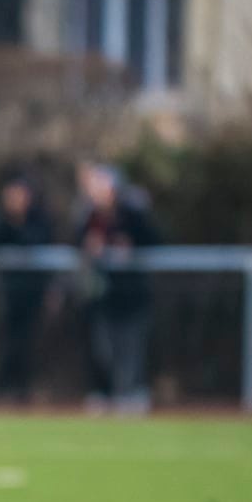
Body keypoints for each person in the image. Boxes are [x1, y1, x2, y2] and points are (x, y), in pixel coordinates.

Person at [72, 162, 156, 413]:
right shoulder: (88, 216)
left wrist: (130, 245)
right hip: (102, 295)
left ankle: (132, 393)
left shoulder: (133, 214)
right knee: (102, 348)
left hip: (131, 294)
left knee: (131, 346)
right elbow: (75, 242)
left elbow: (154, 239)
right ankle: (103, 393)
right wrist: (89, 246)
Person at [0, 174, 53, 402]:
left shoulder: (38, 220)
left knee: (30, 343)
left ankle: (26, 390)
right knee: (8, 343)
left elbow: (38, 243)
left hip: (32, 294)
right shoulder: (1, 221)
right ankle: (6, 389)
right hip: (8, 294)